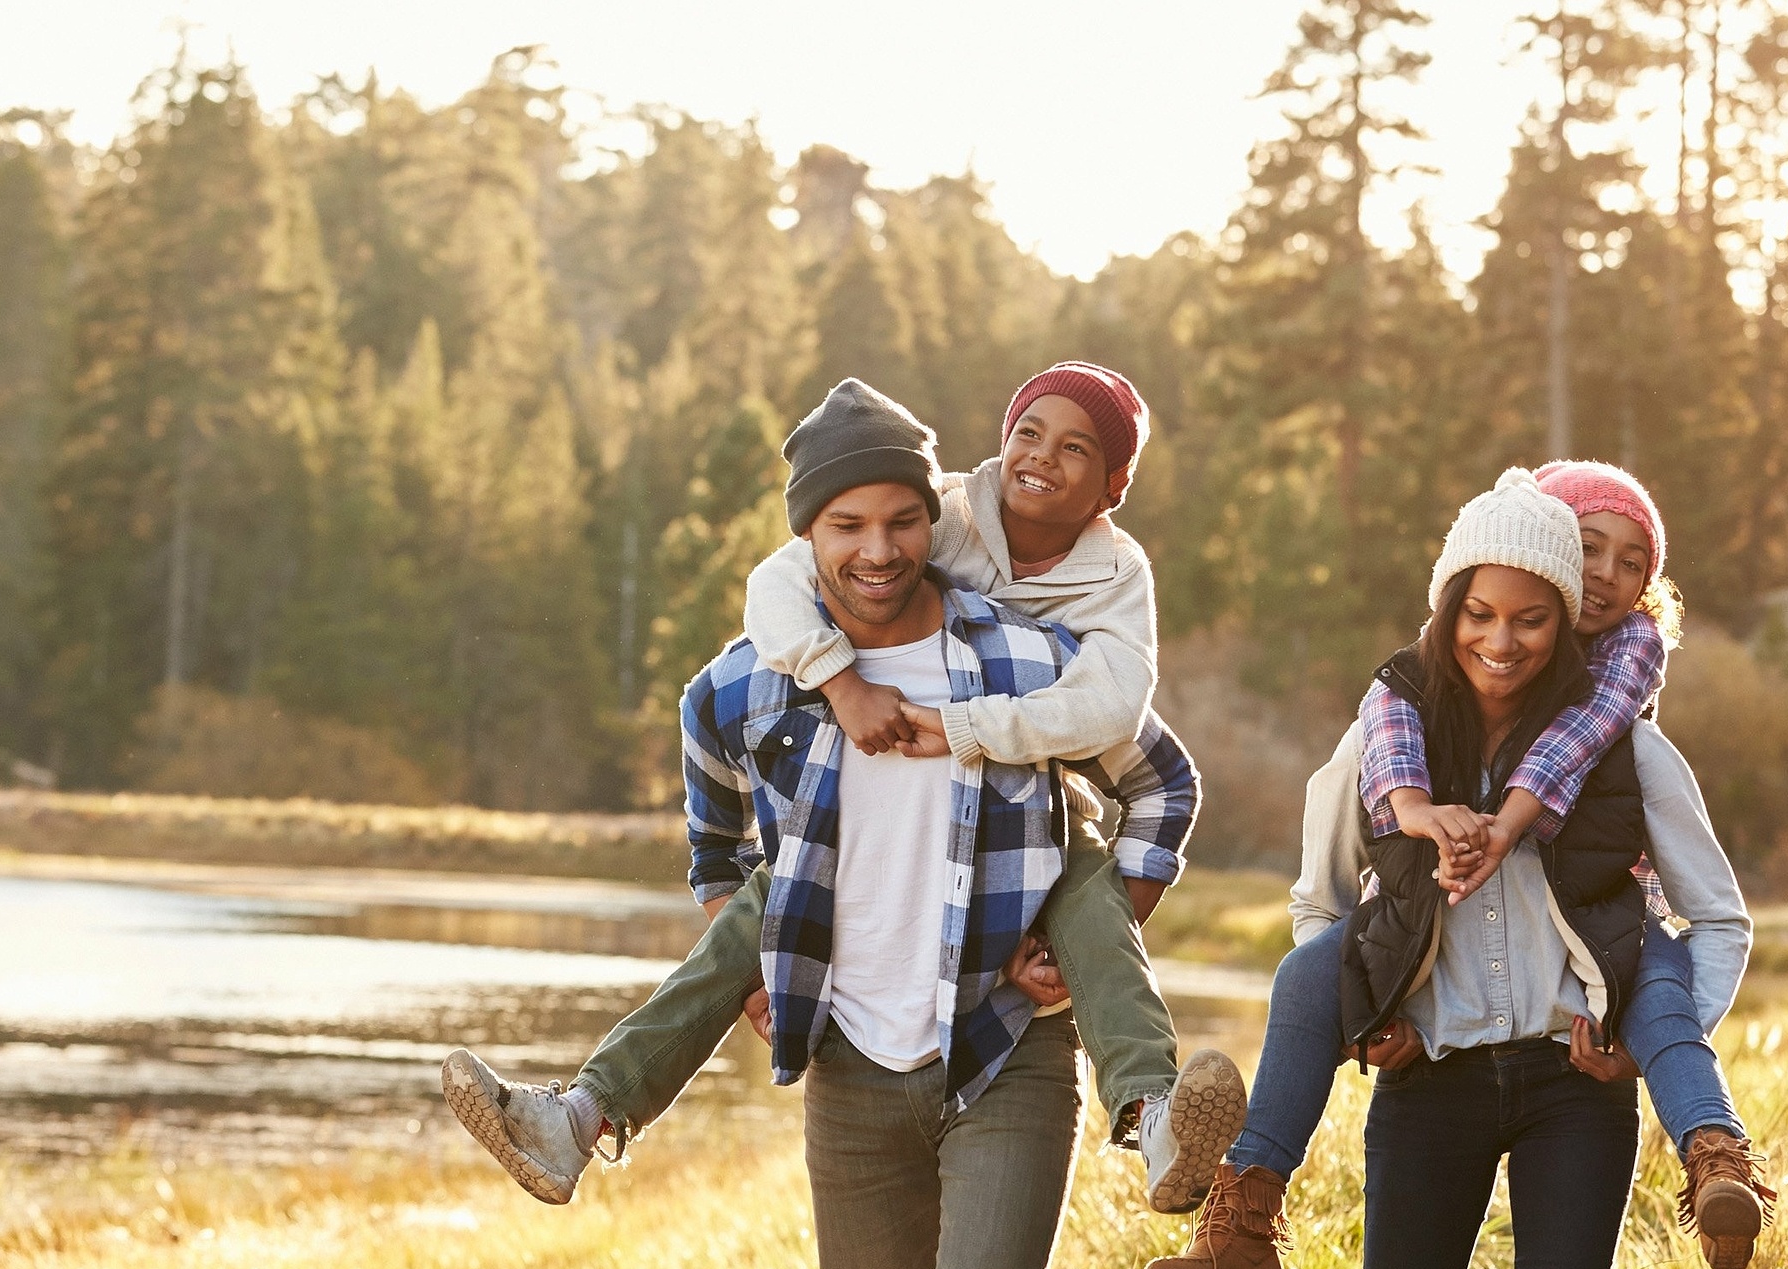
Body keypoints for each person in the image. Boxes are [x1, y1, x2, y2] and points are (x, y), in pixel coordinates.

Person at [490, 380, 1199, 1269]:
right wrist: (730, 912)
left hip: (1002, 1044)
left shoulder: (1019, 656)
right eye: (844, 528)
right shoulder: (773, 665)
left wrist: (1115, 905)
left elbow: (1161, 770)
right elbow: (705, 745)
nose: (874, 552)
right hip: (855, 1063)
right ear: (805, 541)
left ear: (933, 521)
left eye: (898, 522)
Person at [443, 371, 1242, 1219]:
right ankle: (580, 1116)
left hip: (1039, 816)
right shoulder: (936, 511)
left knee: (1089, 897)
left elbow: (1126, 718)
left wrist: (1084, 921)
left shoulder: (1110, 583)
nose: (1041, 457)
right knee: (759, 909)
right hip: (849, 837)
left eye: (1076, 447)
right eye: (1030, 432)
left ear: (1114, 485)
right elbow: (779, 585)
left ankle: (1154, 1116)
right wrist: (838, 682)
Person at [1283, 470, 1752, 1269]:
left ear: (1562, 622)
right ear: (1454, 609)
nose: (1505, 636)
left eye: (1535, 613)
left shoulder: (1626, 752)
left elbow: (1718, 920)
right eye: (1484, 613)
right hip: (1429, 1085)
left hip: (1568, 1090)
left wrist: (1643, 1036)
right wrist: (1364, 1016)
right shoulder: (1388, 738)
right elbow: (1317, 906)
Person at [1145, 460, 1773, 1269]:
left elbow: (1598, 766)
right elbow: (1327, 877)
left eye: (1633, 564)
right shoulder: (1402, 701)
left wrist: (1507, 826)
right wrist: (1370, 1012)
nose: (1608, 578)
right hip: (1428, 1013)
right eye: (1589, 550)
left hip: (1598, 958)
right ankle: (1246, 1210)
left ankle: (1715, 1154)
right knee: (1304, 975)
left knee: (1658, 984)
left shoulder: (1619, 703)